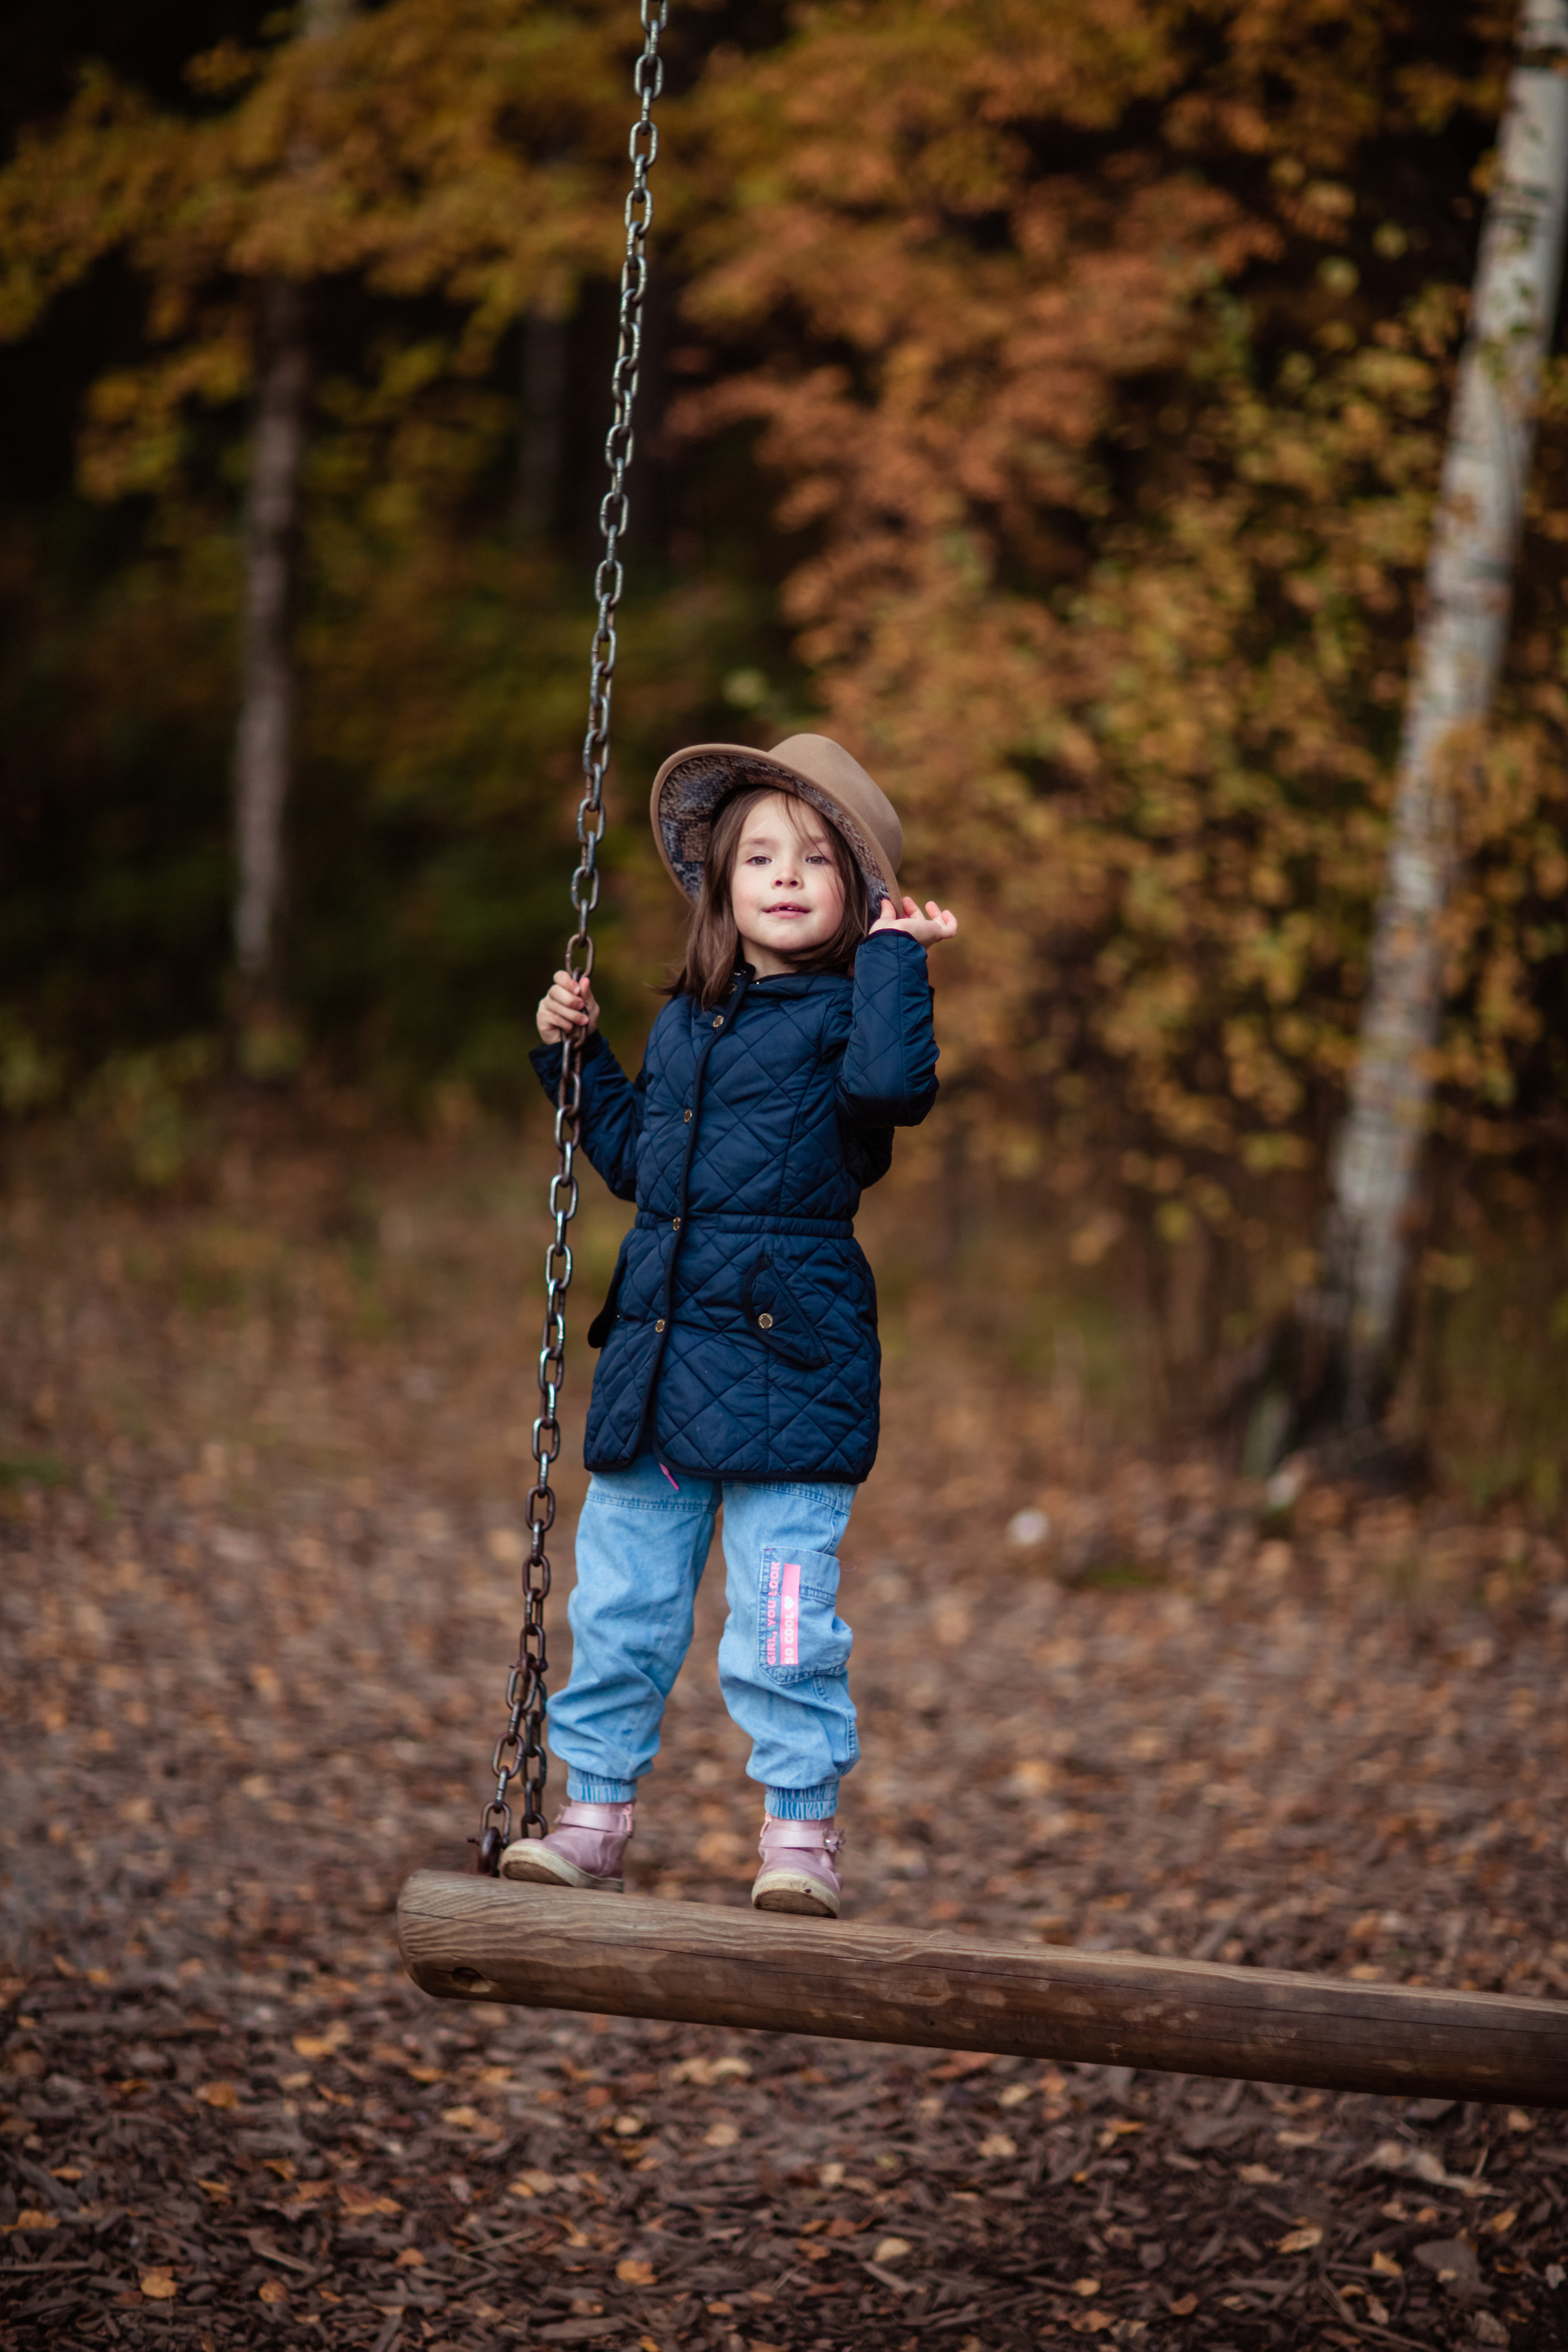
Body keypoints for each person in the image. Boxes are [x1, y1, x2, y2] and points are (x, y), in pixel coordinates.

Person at [507, 734, 956, 1916]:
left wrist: (900, 961)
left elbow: (892, 1090)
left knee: (784, 1621)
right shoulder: (690, 1028)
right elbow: (635, 1163)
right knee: (621, 1613)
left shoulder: (856, 1022)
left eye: (817, 858)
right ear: (722, 885)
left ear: (858, 895)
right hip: (660, 1373)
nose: (787, 874)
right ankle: (593, 1816)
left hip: (792, 1372)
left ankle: (800, 1837)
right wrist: (575, 1058)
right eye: (759, 854)